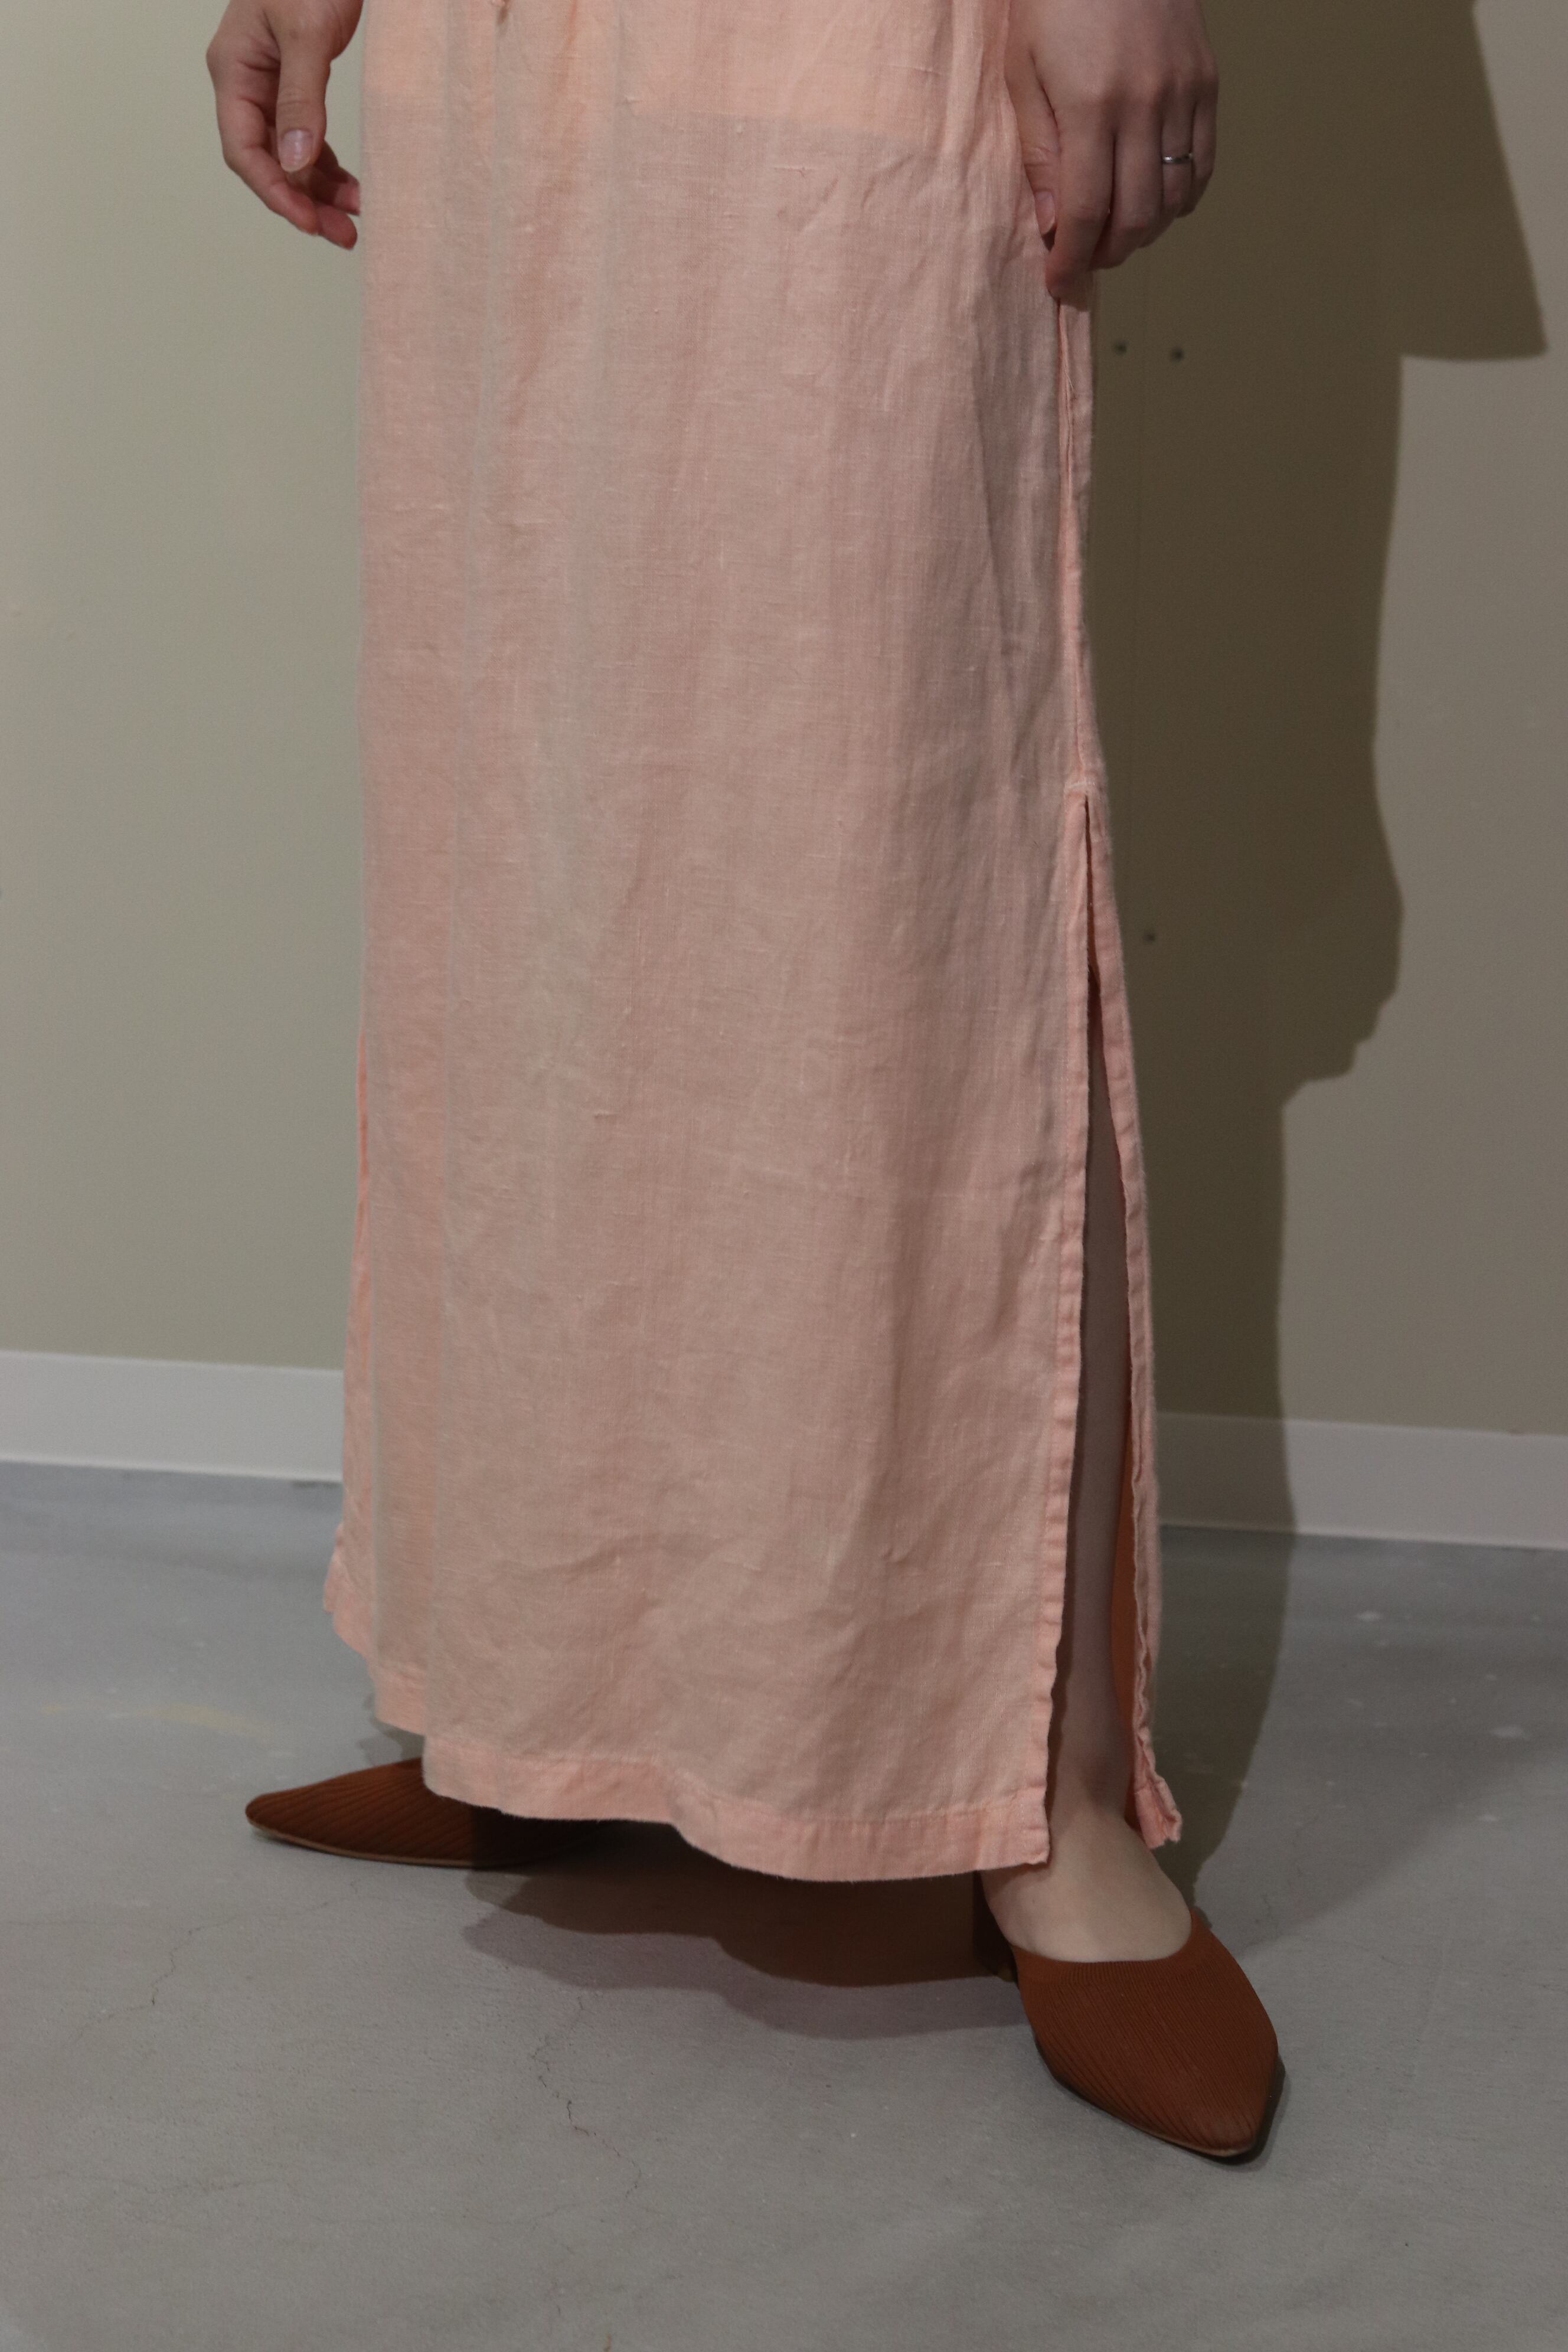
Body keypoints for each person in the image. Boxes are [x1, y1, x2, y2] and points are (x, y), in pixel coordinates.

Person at [208, 0, 1279, 2158]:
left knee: (896, 842)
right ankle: (553, 1699)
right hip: (509, 55)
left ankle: (1042, 1793)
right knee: (531, 834)